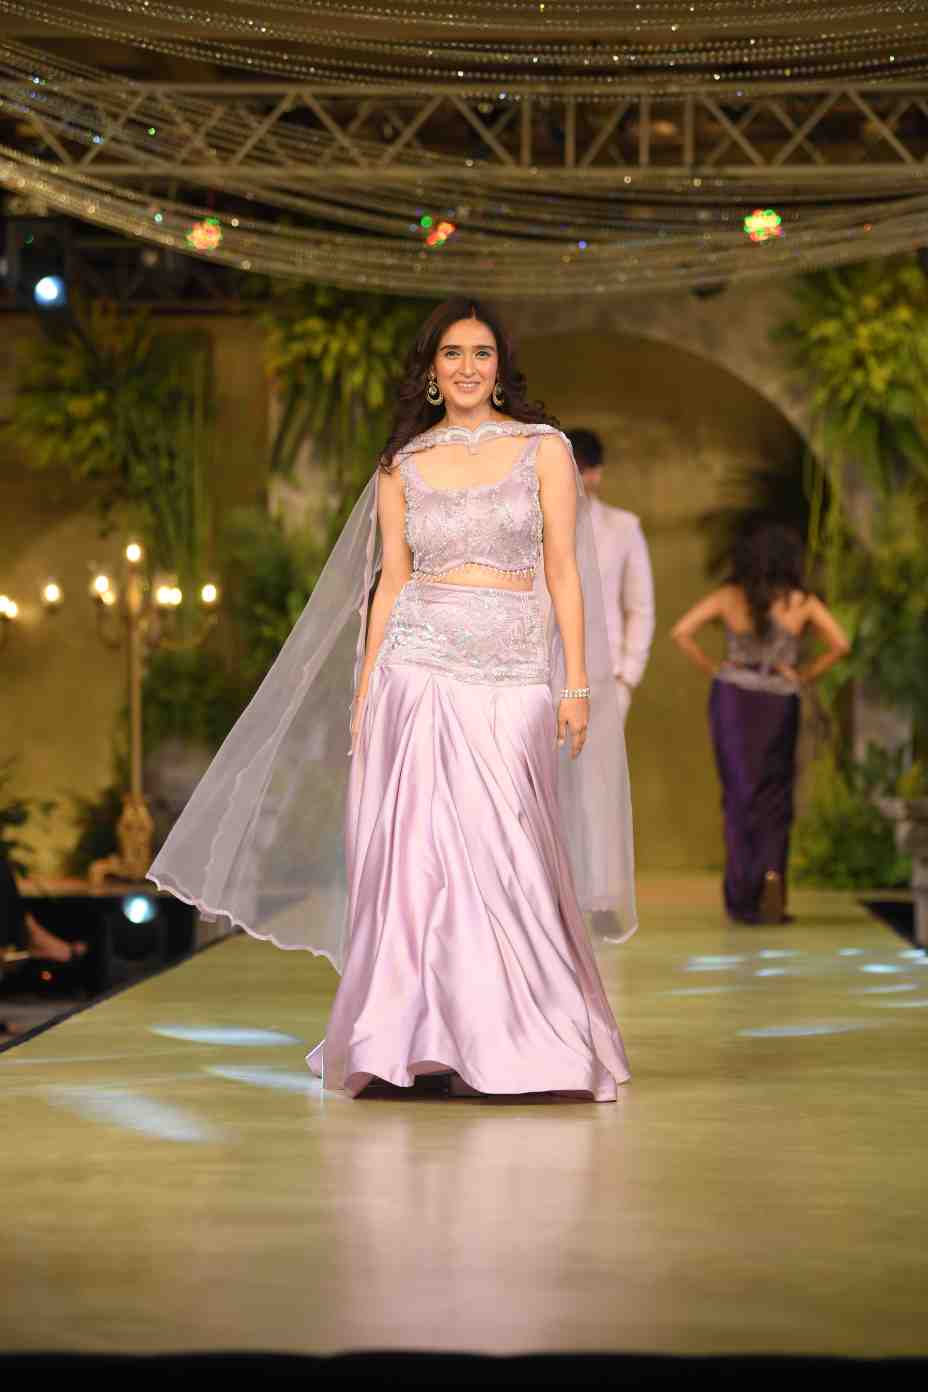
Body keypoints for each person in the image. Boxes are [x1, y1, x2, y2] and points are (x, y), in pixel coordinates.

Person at [150, 297, 637, 1101]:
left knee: (510, 848)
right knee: (417, 858)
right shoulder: (402, 463)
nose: (468, 367)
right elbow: (392, 583)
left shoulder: (543, 449)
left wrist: (575, 683)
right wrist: (367, 686)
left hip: (514, 669)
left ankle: (524, 1038)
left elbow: (564, 572)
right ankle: (412, 1041)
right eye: (453, 354)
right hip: (417, 666)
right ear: (432, 371)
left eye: (482, 353)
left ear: (500, 367)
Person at [670, 523, 849, 925]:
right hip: (779, 700)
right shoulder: (800, 602)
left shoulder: (729, 597)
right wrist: (804, 674)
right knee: (775, 793)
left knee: (738, 795)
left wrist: (714, 668)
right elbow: (841, 643)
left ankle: (741, 896)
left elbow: (681, 632)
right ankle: (771, 875)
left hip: (734, 699)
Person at [566, 429, 655, 723]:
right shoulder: (532, 523)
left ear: (596, 473)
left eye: (582, 469)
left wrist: (627, 676)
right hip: (542, 677)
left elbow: (640, 607)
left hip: (607, 677)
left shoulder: (624, 527)